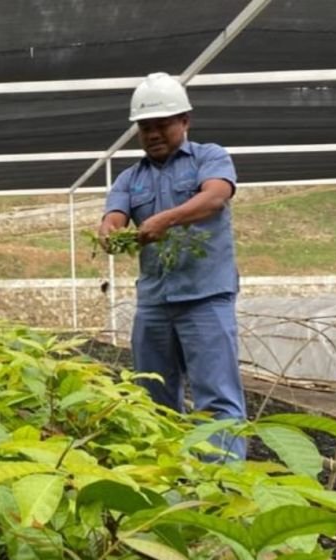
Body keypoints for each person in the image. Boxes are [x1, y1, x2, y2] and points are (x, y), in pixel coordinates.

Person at [97, 71, 246, 460]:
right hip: (154, 302)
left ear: (185, 121)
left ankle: (222, 488)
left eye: (162, 124)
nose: (152, 134)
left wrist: (168, 218)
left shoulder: (209, 157)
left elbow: (215, 197)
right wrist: (110, 232)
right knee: (153, 397)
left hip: (205, 298)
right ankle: (167, 478)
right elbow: (114, 215)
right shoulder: (131, 178)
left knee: (216, 398)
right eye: (144, 127)